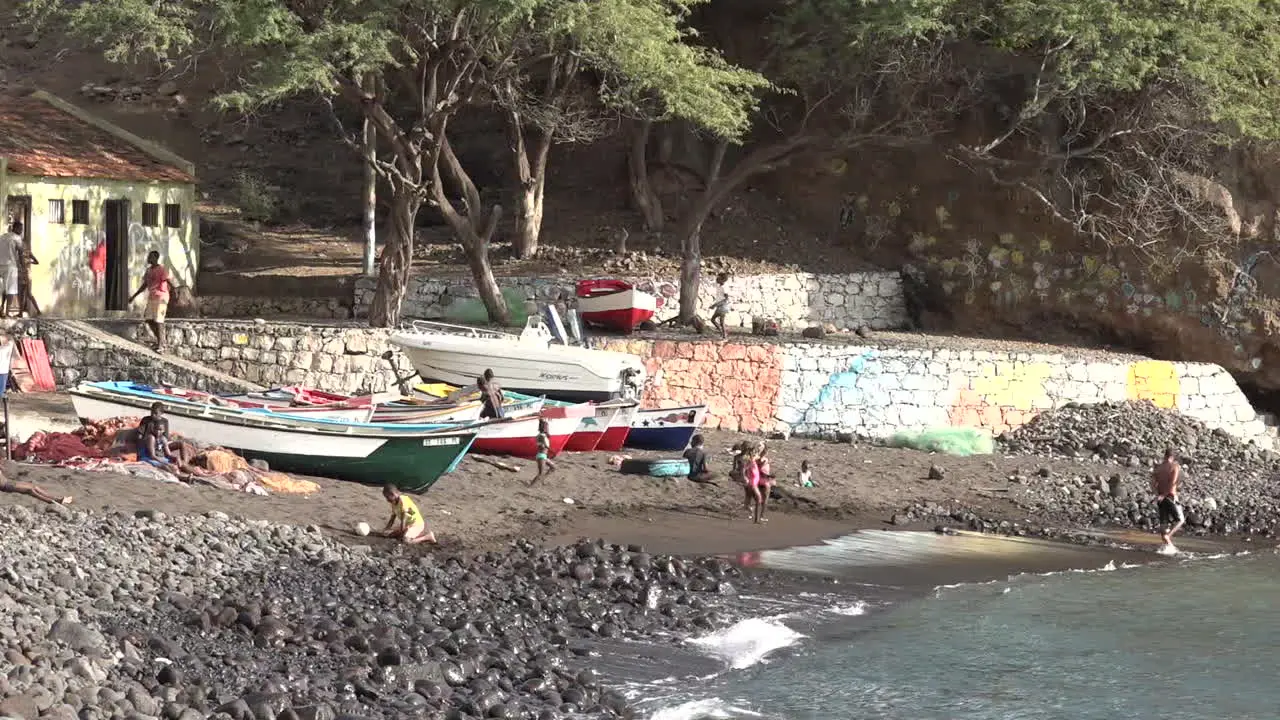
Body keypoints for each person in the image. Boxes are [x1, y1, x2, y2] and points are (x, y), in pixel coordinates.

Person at [129, 250, 171, 352]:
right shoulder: (148, 271)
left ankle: (161, 345)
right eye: (148, 256)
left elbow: (168, 281)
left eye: (150, 257)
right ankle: (162, 341)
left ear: (155, 258)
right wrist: (134, 296)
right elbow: (145, 285)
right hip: (152, 297)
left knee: (159, 320)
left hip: (161, 297)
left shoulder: (161, 269)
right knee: (148, 319)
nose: (148, 258)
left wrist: (173, 294)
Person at [1152, 446, 1185, 545]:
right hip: (1170, 496)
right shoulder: (1174, 466)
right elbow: (1173, 483)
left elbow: (1152, 483)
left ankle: (1168, 546)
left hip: (1160, 497)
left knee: (1164, 523)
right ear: (1172, 457)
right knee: (1180, 520)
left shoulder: (1158, 468)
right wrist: (1166, 494)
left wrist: (1158, 494)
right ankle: (1168, 536)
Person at [137, 402, 183, 471]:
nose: (153, 415)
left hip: (160, 446)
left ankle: (189, 469)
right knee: (166, 466)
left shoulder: (164, 422)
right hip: (149, 448)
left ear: (161, 413)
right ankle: (182, 477)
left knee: (181, 448)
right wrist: (145, 443)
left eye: (155, 413)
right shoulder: (146, 420)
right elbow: (139, 436)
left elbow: (165, 438)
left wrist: (174, 457)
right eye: (152, 412)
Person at [0, 472, 71, 505]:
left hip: (9, 482)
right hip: (6, 486)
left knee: (34, 486)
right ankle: (50, 501)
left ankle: (56, 498)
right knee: (30, 490)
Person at [0, 222, 23, 317]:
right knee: (11, 289)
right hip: (11, 265)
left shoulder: (3, 236)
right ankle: (7, 312)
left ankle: (1, 308)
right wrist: (21, 266)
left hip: (0, 264)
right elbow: (21, 252)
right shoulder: (17, 238)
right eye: (21, 229)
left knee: (3, 288)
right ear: (16, 228)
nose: (21, 231)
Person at [530, 418, 556, 485]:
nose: (548, 429)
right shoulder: (541, 436)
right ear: (544, 428)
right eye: (547, 427)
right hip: (541, 456)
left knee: (553, 467)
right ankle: (530, 486)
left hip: (543, 456)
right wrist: (552, 451)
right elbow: (543, 446)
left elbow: (542, 445)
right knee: (540, 473)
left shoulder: (542, 436)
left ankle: (542, 480)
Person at [756, 443, 775, 522]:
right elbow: (761, 470)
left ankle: (756, 516)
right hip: (765, 480)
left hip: (758, 480)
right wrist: (769, 476)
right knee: (765, 500)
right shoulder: (763, 460)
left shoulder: (756, 459)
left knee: (758, 499)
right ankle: (762, 516)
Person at [710, 272, 731, 340]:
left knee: (720, 321)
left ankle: (724, 334)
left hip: (723, 306)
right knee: (714, 320)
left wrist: (715, 305)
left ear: (722, 279)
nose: (717, 278)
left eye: (718, 277)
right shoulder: (719, 286)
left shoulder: (724, 288)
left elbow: (726, 299)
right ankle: (723, 332)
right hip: (720, 306)